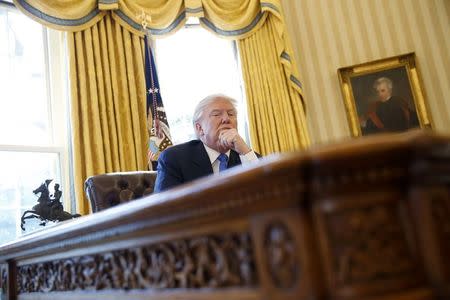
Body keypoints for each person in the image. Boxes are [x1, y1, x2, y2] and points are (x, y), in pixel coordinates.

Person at [154, 94, 259, 192]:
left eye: (231, 114)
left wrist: (245, 151)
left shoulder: (248, 157)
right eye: (217, 115)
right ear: (200, 129)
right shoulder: (174, 158)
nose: (226, 119)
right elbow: (163, 208)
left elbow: (270, 194)